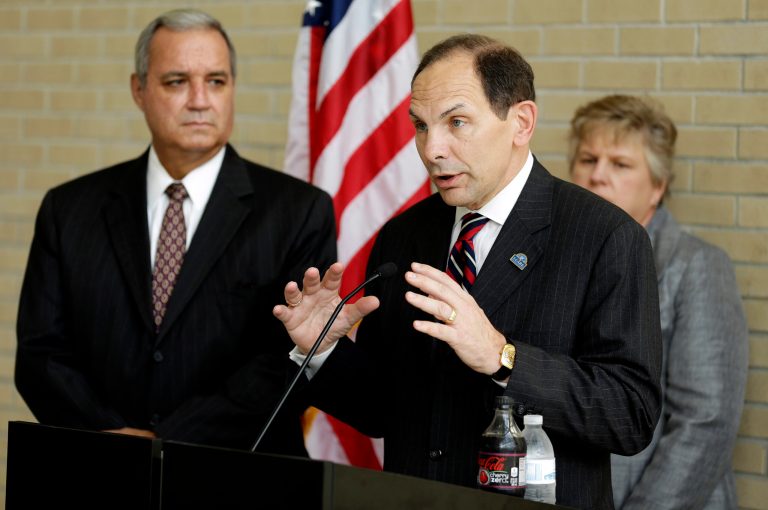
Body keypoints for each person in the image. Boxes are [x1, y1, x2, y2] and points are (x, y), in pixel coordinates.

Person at [274, 34, 662, 509]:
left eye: (456, 122)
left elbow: (630, 415)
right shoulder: (404, 236)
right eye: (420, 126)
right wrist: (322, 349)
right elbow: (383, 411)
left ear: (521, 122)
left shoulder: (604, 236)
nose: (432, 149)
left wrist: (503, 357)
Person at [14, 9, 336, 455]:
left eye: (217, 81)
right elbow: (41, 356)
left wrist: (168, 443)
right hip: (98, 471)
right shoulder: (68, 209)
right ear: (139, 90)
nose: (200, 100)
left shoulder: (299, 211)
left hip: (241, 477)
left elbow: (286, 360)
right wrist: (111, 437)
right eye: (177, 81)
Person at [568, 94, 749, 509]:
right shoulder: (564, 263)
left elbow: (705, 424)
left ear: (658, 186)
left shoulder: (695, 266)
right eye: (587, 159)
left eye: (620, 164)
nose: (598, 176)